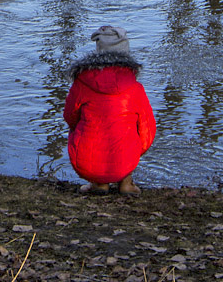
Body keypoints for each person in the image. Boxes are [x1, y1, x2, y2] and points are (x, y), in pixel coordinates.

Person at [63, 25, 156, 195]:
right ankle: (126, 182)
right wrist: (137, 150)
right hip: (126, 161)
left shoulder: (81, 83)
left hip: (86, 162)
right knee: (132, 130)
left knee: (81, 126)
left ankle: (99, 183)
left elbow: (69, 117)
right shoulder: (134, 88)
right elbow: (148, 129)